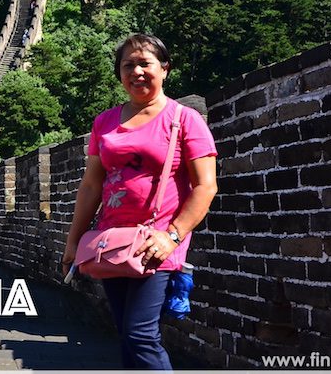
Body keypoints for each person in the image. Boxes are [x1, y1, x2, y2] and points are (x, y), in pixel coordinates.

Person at [61, 34, 218, 370]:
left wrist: (172, 235)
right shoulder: (104, 122)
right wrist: (73, 242)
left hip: (157, 241)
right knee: (126, 332)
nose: (137, 71)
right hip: (113, 242)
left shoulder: (184, 119)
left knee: (140, 334)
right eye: (128, 65)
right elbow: (91, 186)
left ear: (164, 69)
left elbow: (205, 186)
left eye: (145, 63)